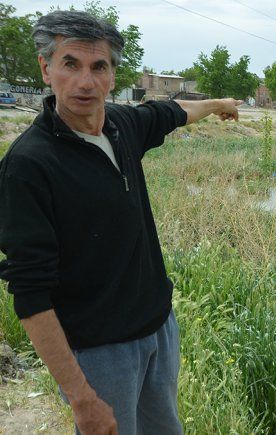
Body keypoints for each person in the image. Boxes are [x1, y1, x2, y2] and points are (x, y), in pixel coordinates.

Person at [0, 11, 241, 434]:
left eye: (99, 67)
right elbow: (31, 294)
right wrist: (80, 396)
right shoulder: (28, 166)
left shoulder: (122, 125)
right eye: (70, 64)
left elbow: (173, 110)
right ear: (46, 69)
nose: (85, 82)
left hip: (158, 329)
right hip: (98, 354)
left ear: (113, 75)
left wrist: (219, 105)